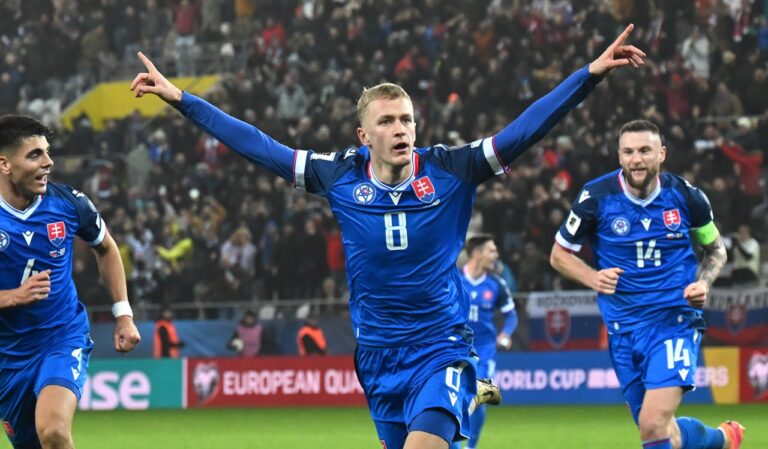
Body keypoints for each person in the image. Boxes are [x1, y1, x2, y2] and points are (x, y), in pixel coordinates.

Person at [131, 25, 645, 449]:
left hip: (441, 347)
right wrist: (182, 100)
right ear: (364, 135)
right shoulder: (339, 175)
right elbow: (258, 145)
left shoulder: (452, 169)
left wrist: (588, 75)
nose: (401, 129)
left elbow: (525, 130)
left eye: (407, 120)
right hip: (377, 357)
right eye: (387, 121)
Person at [549, 119, 744, 449]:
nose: (635, 160)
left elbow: (715, 250)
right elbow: (558, 255)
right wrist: (593, 277)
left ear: (661, 154)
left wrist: (704, 283)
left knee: (653, 425)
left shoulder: (686, 197)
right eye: (628, 152)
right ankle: (723, 439)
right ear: (619, 156)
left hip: (673, 322)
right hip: (622, 330)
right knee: (662, 431)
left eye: (644, 151)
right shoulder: (596, 197)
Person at [0, 115, 141, 449]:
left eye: (48, 152)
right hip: (7, 356)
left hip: (61, 337)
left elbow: (106, 248)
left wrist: (123, 314)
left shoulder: (69, 203)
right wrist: (11, 296)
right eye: (35, 154)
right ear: (4, 164)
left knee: (53, 431)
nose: (48, 162)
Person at [451, 235, 517, 449]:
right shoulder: (454, 279)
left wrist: (506, 333)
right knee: (454, 397)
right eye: (492, 250)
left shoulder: (496, 284)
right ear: (477, 254)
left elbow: (511, 315)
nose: (496, 255)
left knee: (481, 395)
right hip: (456, 348)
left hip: (485, 350)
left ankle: (470, 447)